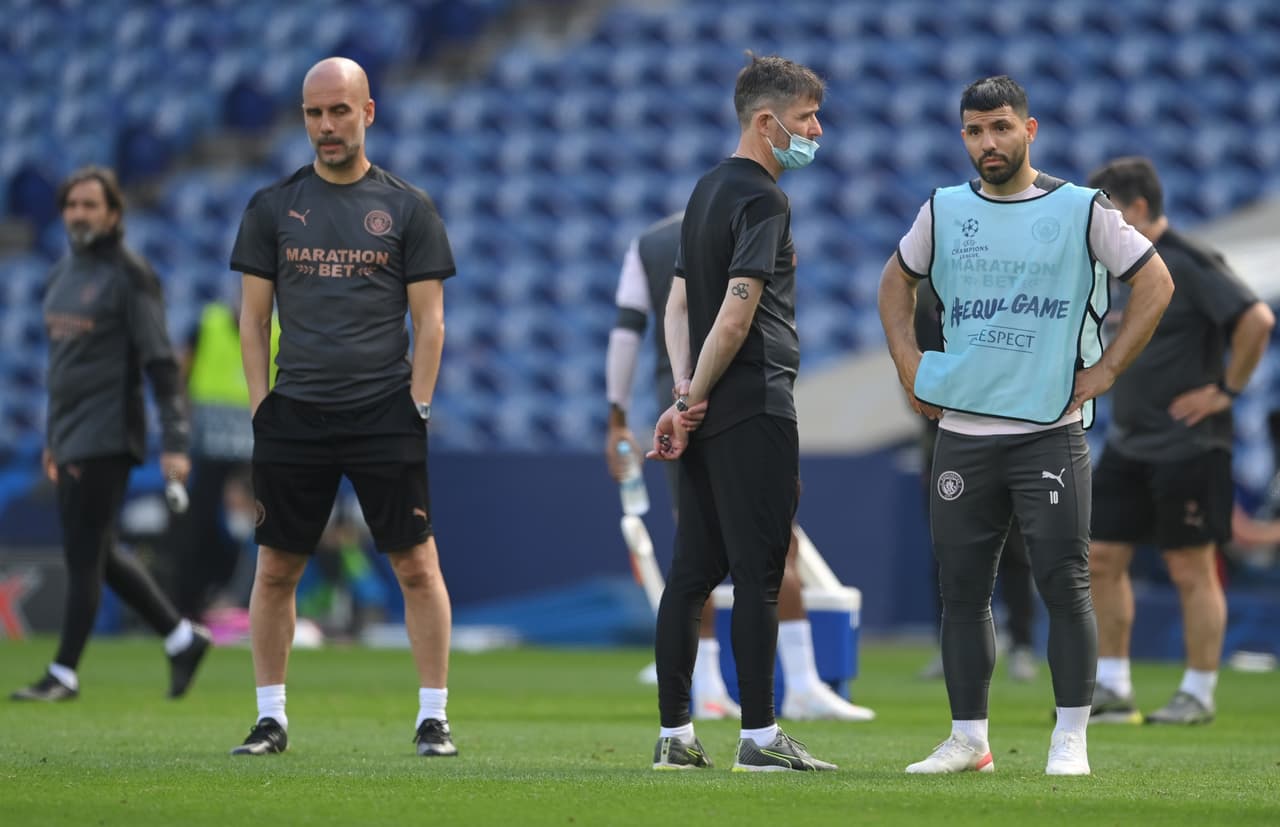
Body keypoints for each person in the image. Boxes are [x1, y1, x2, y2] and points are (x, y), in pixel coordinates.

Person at [878, 76, 1174, 776]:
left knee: (1064, 582)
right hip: (962, 431)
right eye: (976, 131)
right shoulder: (944, 209)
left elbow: (1155, 280)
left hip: (1048, 429)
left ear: (1030, 130)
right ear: (963, 137)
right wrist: (906, 361)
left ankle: (1070, 737)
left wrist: (1105, 372)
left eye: (1002, 127)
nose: (989, 142)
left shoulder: (1080, 208)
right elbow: (895, 280)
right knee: (961, 591)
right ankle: (967, 739)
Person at [227, 57, 457, 757]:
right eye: (313, 113)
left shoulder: (409, 208)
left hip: (383, 411)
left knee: (416, 566)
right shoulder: (272, 207)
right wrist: (263, 405)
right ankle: (271, 718)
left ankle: (433, 717)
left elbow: (432, 323)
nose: (326, 126)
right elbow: (252, 319)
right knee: (275, 570)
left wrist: (415, 406)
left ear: (368, 113)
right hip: (295, 412)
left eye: (338, 111)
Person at [645, 54, 837, 772]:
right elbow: (736, 310)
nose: (816, 130)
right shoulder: (764, 199)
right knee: (759, 571)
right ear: (767, 121)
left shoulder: (702, 191)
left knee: (691, 573)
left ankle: (675, 736)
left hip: (700, 405)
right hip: (753, 400)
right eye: (807, 117)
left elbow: (675, 304)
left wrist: (681, 394)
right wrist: (695, 394)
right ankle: (759, 737)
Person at [605, 212, 874, 722]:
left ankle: (707, 688)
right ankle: (798, 683)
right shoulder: (756, 224)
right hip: (750, 396)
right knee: (776, 540)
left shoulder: (650, 245)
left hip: (684, 399)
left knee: (695, 545)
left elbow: (627, 331)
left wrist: (617, 415)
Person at [1084, 156, 1274, 725]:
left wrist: (1225, 390)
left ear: (1138, 208)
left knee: (1190, 566)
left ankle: (1198, 691)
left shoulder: (1189, 262)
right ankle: (1114, 688)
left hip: (1191, 442)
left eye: (1109, 212)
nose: (1102, 228)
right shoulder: (1122, 270)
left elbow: (1257, 320)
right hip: (1129, 439)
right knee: (1100, 560)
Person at [11, 166, 211, 703]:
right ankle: (180, 637)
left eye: (90, 205)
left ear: (114, 214)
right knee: (99, 551)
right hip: (71, 433)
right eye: (71, 204)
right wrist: (54, 435)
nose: (79, 214)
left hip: (109, 431)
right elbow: (63, 367)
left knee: (83, 554)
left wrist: (174, 442)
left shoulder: (131, 275)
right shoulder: (61, 275)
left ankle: (64, 674)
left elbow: (162, 364)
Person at [914, 283, 1038, 683]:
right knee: (946, 548)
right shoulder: (928, 298)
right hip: (944, 440)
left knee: (1017, 550)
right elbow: (916, 368)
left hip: (1010, 432)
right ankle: (948, 646)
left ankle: (1021, 644)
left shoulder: (1005, 290)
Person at [167, 292, 279, 620]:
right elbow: (180, 372)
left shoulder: (276, 333)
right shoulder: (208, 325)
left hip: (252, 454)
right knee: (195, 526)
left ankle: (243, 602)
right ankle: (186, 605)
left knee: (254, 530)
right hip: (207, 450)